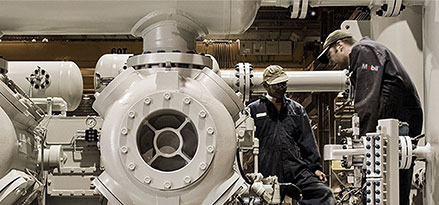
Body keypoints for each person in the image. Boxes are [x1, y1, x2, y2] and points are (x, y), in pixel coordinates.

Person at [317, 30, 423, 205]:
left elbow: (367, 100)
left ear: (340, 45)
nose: (330, 62)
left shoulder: (362, 50)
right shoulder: (368, 51)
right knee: (394, 183)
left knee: (388, 184)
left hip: (397, 119)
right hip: (400, 121)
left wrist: (366, 144)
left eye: (329, 55)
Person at [248, 65, 335, 205]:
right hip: (266, 169)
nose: (282, 88)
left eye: (284, 83)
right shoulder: (254, 110)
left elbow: (307, 140)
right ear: (266, 86)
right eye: (277, 85)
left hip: (293, 166)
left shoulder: (296, 109)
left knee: (323, 194)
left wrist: (315, 168)